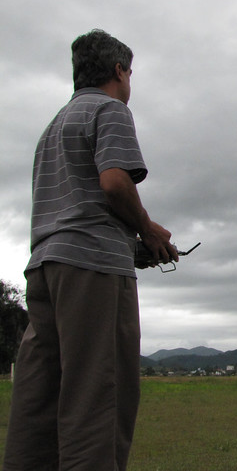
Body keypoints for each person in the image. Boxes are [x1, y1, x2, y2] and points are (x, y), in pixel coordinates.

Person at [3, 29, 178, 471]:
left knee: (36, 406)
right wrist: (149, 232)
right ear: (119, 70)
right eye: (130, 72)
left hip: (44, 270)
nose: (130, 81)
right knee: (98, 401)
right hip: (92, 271)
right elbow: (115, 183)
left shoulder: (53, 126)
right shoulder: (110, 109)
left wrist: (130, 243)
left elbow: (76, 204)